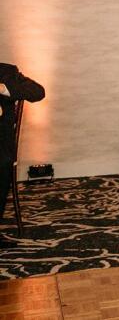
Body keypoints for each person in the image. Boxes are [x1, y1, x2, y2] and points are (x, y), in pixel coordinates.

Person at [0, 63, 44, 249]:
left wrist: (3, 88)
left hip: (1, 145)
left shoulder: (7, 72)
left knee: (2, 165)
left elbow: (38, 92)